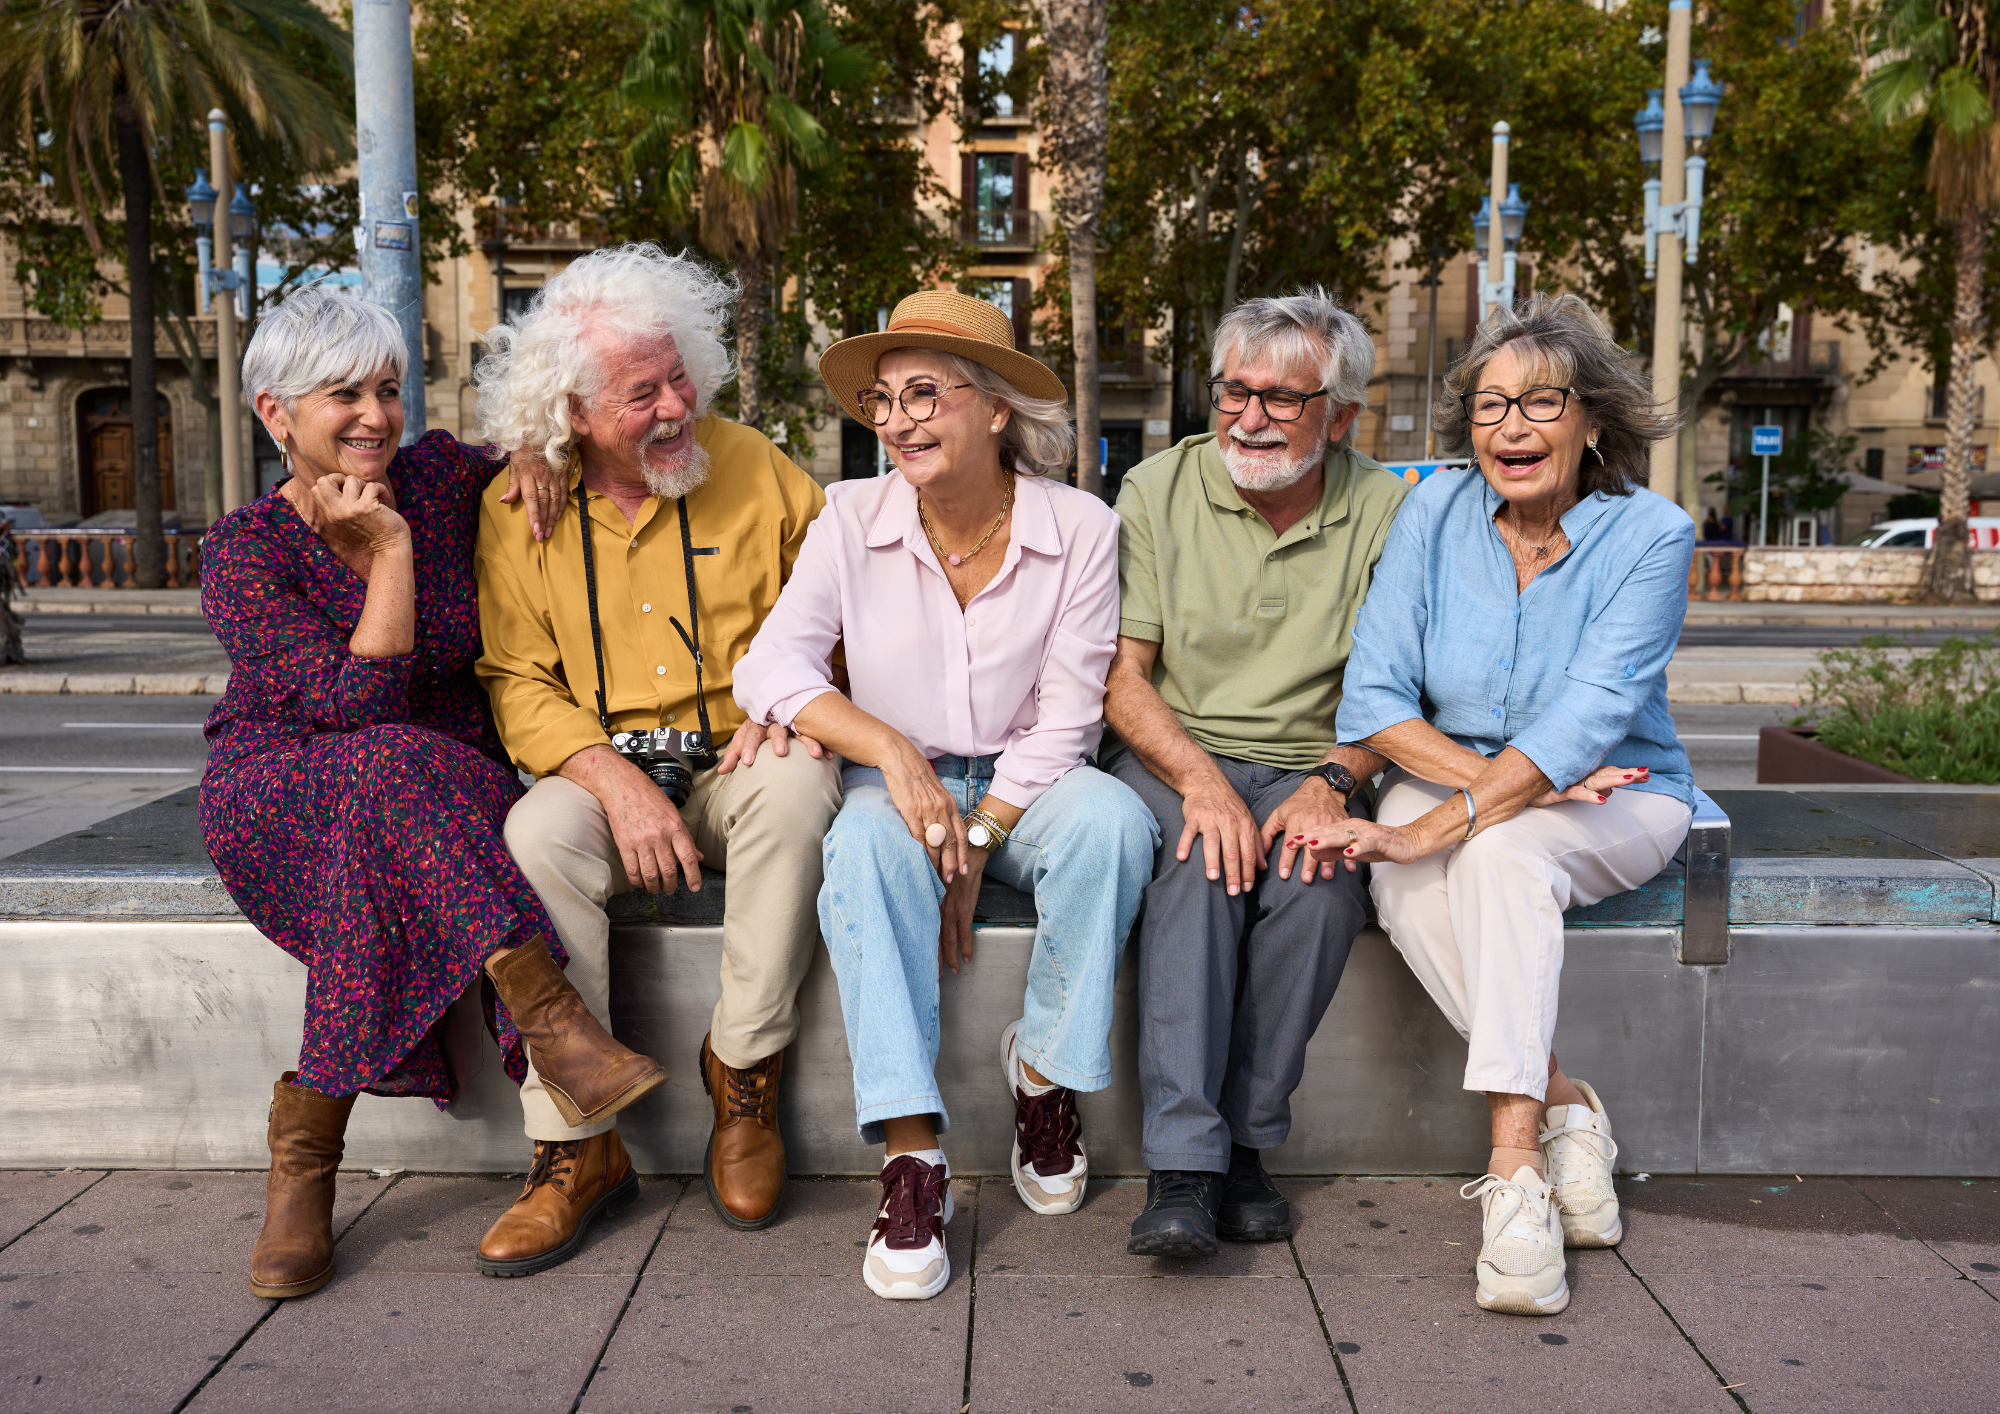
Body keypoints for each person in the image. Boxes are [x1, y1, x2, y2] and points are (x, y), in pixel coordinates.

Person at [201, 287, 665, 1301]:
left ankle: (304, 1160)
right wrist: (390, 555)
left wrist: (541, 450)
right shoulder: (243, 550)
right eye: (343, 395)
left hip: (447, 785)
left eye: (386, 388)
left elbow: (555, 449)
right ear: (275, 412)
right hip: (282, 791)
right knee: (381, 768)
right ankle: (547, 1019)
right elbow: (352, 707)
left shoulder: (443, 474)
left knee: (396, 784)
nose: (374, 413)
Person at [734, 291, 1159, 1302]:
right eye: (883, 400)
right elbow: (770, 668)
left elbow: (1067, 715)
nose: (898, 419)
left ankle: (1045, 1074)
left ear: (997, 407)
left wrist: (974, 833)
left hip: (1032, 779)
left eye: (925, 392)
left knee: (1115, 823)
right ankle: (912, 1152)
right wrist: (884, 745)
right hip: (901, 776)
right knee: (866, 850)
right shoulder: (848, 517)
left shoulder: (1080, 527)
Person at [1319, 293, 1695, 1318]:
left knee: (1494, 858)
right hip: (1475, 774)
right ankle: (1565, 1104)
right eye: (1488, 408)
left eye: (1539, 403)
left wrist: (1436, 821)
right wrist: (1499, 782)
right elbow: (1374, 700)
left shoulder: (1652, 534)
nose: (1510, 429)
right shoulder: (1431, 510)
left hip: (1621, 794)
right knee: (1422, 875)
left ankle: (1515, 1169)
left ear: (1591, 422)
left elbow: (1589, 723)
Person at [473, 244, 839, 1269]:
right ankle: (574, 1148)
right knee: (534, 831)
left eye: (681, 374)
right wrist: (611, 778)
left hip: (738, 756)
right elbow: (515, 677)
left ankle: (743, 1075)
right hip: (601, 771)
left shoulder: (755, 465)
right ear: (575, 413)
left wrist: (803, 700)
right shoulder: (518, 506)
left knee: (798, 785)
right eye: (642, 392)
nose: (677, 404)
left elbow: (839, 608)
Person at [1102, 289, 1410, 1260]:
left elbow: (1396, 684)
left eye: (1282, 399)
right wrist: (1198, 780)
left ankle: (1243, 1139)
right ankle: (1182, 1164)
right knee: (1198, 866)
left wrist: (1334, 778)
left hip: (1311, 760)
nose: (1248, 416)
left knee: (1318, 882)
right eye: (1234, 390)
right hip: (1171, 751)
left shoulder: (1388, 507)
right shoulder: (1156, 487)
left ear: (1343, 414)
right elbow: (1123, 678)